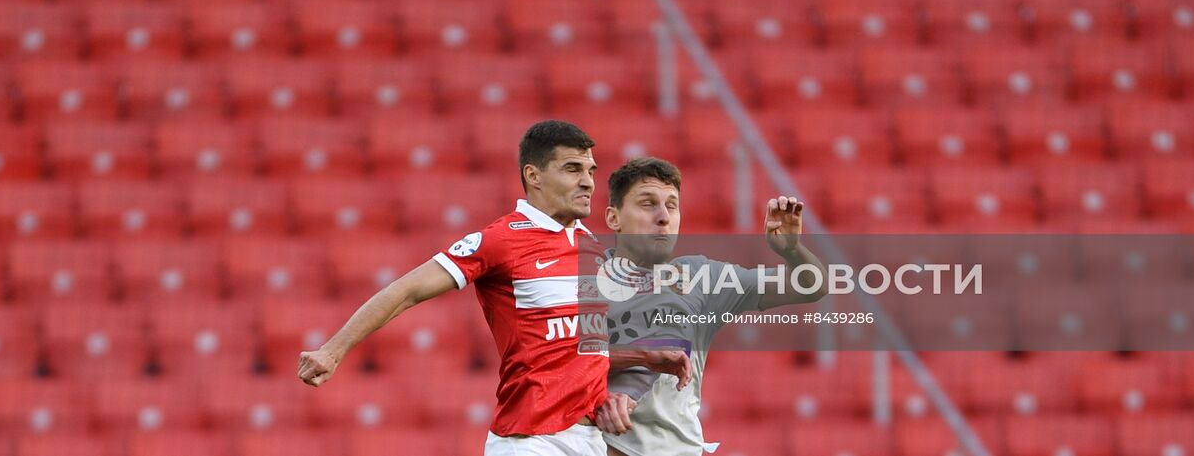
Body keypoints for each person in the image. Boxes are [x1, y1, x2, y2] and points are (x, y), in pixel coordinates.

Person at [296, 119, 686, 456]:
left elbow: (573, 346)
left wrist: (641, 357)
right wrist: (333, 350)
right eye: (572, 169)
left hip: (587, 440)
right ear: (534, 175)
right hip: (531, 441)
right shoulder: (501, 240)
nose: (587, 182)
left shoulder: (591, 249)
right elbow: (407, 290)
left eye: (590, 170)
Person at [595, 157, 828, 456]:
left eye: (672, 205)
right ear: (614, 218)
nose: (664, 216)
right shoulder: (580, 278)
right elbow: (550, 361)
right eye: (647, 203)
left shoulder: (701, 277)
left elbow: (813, 285)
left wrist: (793, 250)